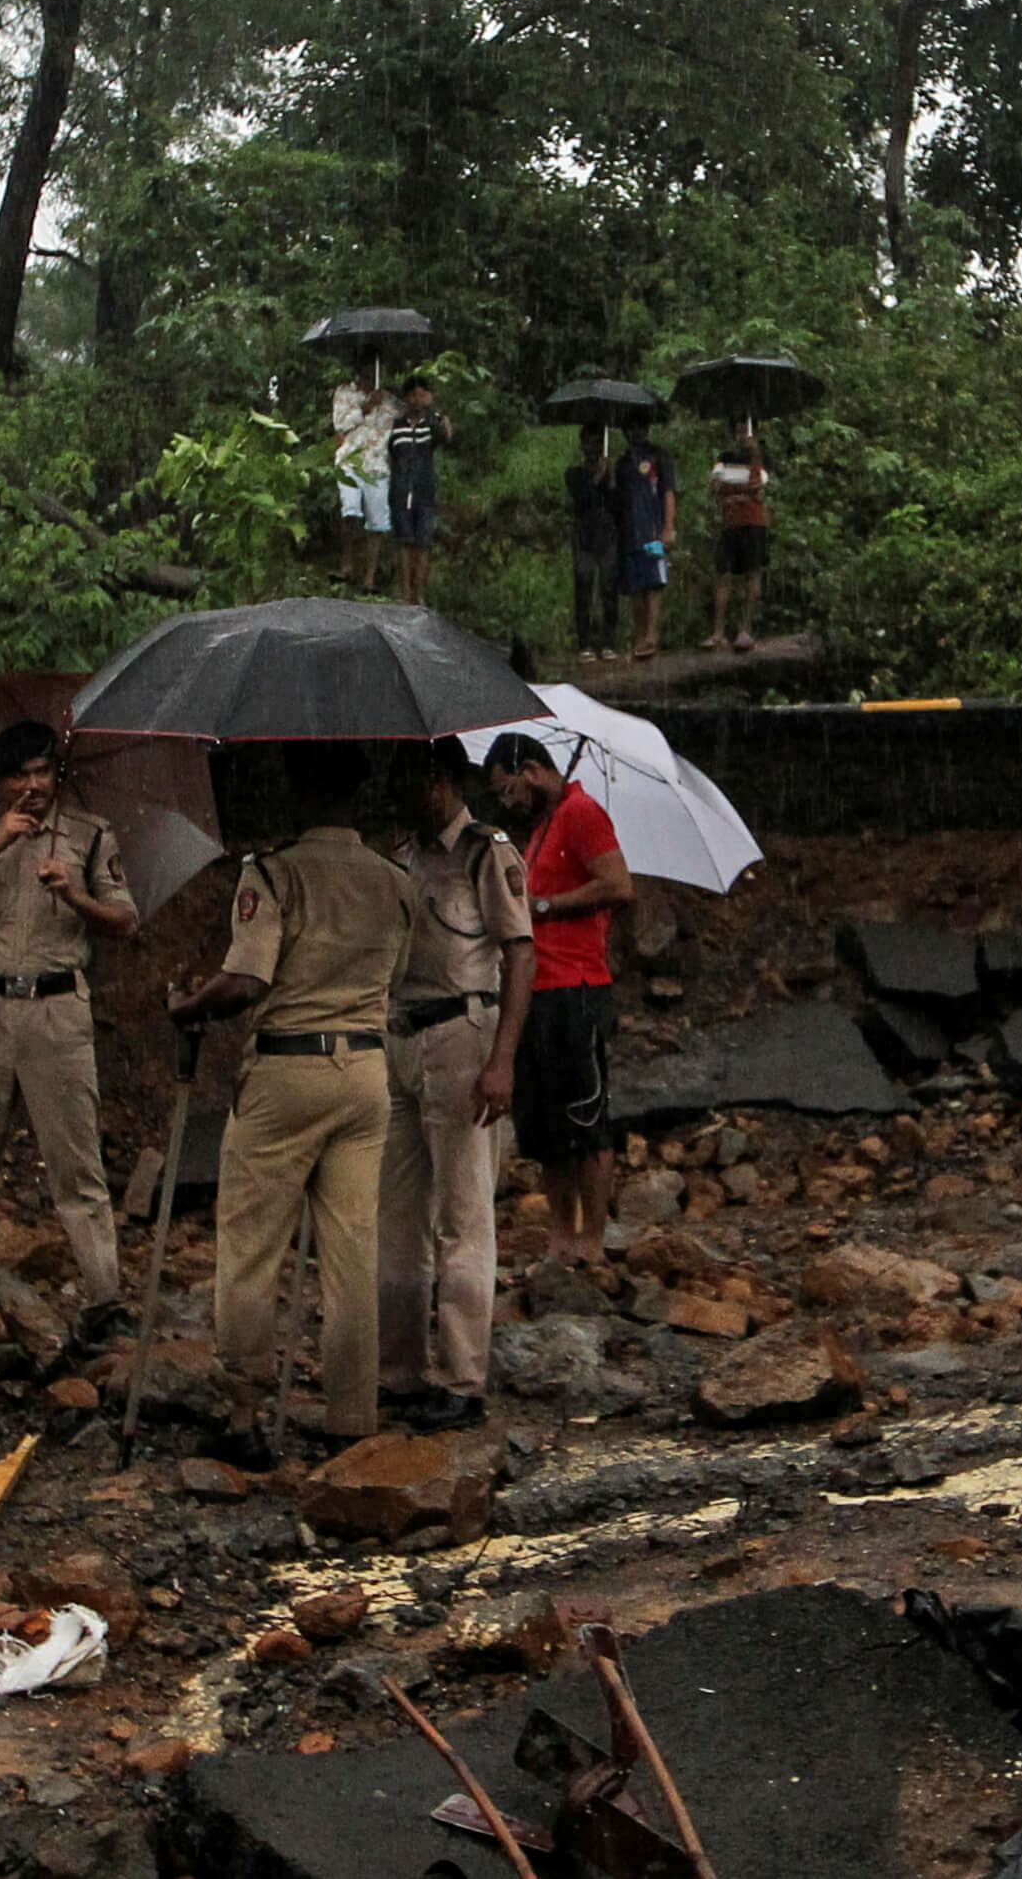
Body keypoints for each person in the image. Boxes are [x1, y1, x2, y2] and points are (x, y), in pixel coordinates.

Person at [167, 740, 419, 1467]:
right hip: (365, 1073)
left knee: (251, 1249)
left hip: (287, 1070)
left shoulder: (272, 873)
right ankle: (351, 1416)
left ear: (300, 794)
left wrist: (187, 1007)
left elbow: (246, 979)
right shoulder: (394, 880)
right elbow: (396, 976)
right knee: (351, 1251)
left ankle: (244, 1414)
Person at [0, 719, 135, 1342]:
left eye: (43, 771)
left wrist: (73, 895)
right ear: (0, 783)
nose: (32, 785)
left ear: (58, 774)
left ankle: (106, 1300)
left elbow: (124, 920)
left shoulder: (91, 835)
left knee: (77, 1164)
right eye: (18, 775)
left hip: (58, 1010)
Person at [378, 740, 533, 1431]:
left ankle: (462, 1373)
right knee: (398, 1211)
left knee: (463, 1211)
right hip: (402, 1032)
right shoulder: (401, 856)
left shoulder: (483, 851)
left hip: (463, 1029)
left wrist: (503, 1059)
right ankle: (401, 1367)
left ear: (438, 781)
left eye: (410, 778)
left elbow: (519, 953)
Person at [483, 733, 631, 1265]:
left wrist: (543, 907)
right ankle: (560, 1236)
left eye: (508, 789)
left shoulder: (582, 813)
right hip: (536, 992)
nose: (508, 802)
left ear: (531, 770)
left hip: (577, 987)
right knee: (545, 1126)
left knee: (586, 1118)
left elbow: (617, 884)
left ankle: (591, 1239)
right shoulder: (543, 828)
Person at [702, 418, 770, 651]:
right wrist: (728, 487)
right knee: (723, 574)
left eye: (746, 430)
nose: (742, 435)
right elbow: (715, 487)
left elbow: (759, 489)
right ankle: (718, 632)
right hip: (730, 523)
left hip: (753, 521)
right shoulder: (725, 457)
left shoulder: (761, 456)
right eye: (738, 430)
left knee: (752, 573)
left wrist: (755, 456)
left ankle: (745, 629)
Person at [384, 379, 453, 608]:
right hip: (401, 489)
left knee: (423, 543)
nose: (417, 400)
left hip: (424, 490)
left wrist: (433, 411)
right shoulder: (396, 425)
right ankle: (405, 593)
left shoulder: (431, 424)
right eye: (413, 395)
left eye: (422, 395)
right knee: (405, 542)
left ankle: (419, 594)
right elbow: (390, 453)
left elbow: (445, 437)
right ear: (406, 399)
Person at [330, 368, 397, 593]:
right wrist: (364, 408)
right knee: (350, 511)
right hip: (350, 461)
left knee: (378, 523)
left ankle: (370, 578)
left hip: (377, 465)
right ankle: (346, 566)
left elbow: (410, 418)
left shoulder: (389, 400)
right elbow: (339, 426)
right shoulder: (344, 393)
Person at [614, 423, 677, 661]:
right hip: (630, 533)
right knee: (636, 585)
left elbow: (668, 492)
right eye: (632, 427)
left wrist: (669, 527)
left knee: (655, 582)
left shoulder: (658, 456)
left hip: (653, 529)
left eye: (640, 426)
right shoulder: (621, 463)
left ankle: (652, 636)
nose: (636, 432)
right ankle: (640, 637)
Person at [563, 426, 621, 663]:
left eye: (598, 443)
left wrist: (612, 477)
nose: (593, 448)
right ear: (582, 445)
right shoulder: (574, 473)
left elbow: (617, 503)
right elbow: (582, 498)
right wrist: (598, 476)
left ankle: (608, 642)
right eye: (589, 443)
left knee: (609, 589)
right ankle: (584, 642)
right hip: (584, 537)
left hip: (607, 535)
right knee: (584, 588)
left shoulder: (610, 472)